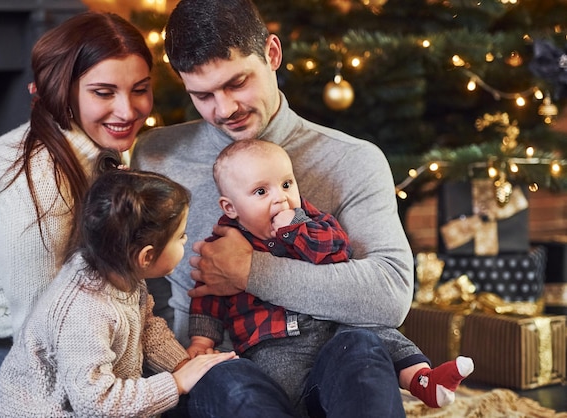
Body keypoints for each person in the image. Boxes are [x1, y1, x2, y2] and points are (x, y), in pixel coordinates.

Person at [131, 0, 411, 415]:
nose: (224, 109)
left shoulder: (353, 160)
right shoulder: (157, 157)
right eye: (202, 95)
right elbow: (141, 292)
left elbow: (389, 295)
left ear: (272, 55)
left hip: (328, 375)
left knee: (364, 349)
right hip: (221, 376)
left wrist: (246, 270)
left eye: (237, 83)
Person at [0, 11, 156, 418]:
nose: (128, 111)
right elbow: (40, 331)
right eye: (104, 92)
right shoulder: (40, 181)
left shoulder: (103, 151)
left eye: (140, 89)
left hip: (6, 324)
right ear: (63, 91)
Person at [188, 139, 474, 413]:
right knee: (269, 384)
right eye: (261, 192)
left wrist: (296, 229)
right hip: (274, 346)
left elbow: (336, 251)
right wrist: (202, 340)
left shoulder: (310, 220)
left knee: (372, 337)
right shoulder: (222, 244)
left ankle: (422, 379)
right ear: (230, 207)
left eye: (286, 184)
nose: (281, 198)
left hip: (331, 330)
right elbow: (208, 296)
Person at [0, 155, 238, 417]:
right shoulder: (84, 311)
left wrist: (183, 364)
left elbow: (147, 329)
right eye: (181, 236)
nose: (186, 241)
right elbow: (96, 402)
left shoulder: (120, 273)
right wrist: (175, 383)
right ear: (146, 256)